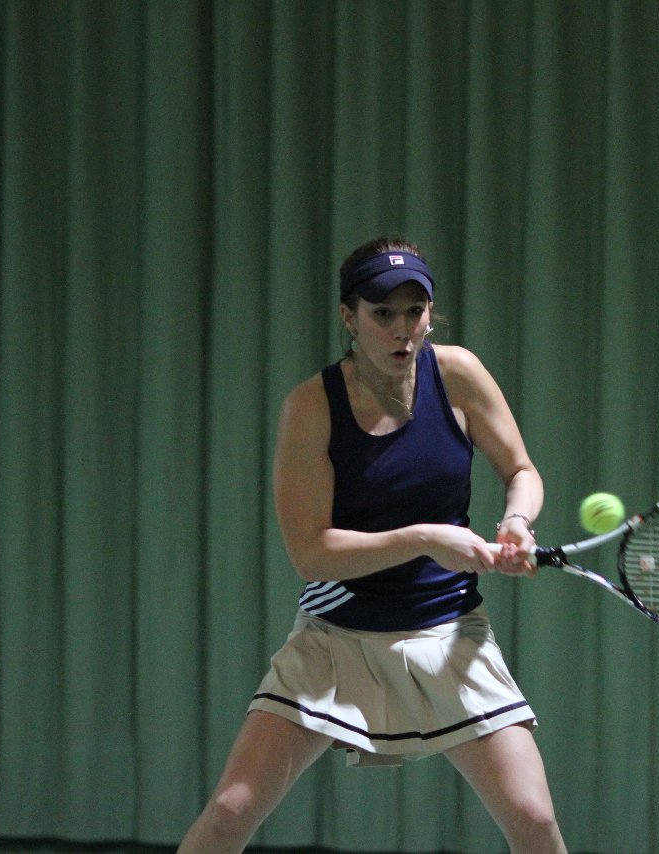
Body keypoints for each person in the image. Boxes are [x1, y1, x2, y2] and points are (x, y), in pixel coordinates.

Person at [178, 237, 567, 854]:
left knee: (534, 819)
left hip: (449, 634)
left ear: (431, 314)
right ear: (348, 316)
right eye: (382, 312)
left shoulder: (458, 374)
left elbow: (521, 469)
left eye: (415, 311)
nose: (401, 329)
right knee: (229, 813)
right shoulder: (311, 407)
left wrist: (518, 520)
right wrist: (422, 539)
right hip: (337, 638)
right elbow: (312, 554)